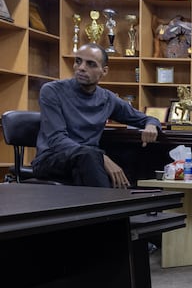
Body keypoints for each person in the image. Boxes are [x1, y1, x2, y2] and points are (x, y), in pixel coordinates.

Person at [32, 43, 160, 187]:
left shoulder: (107, 98)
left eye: (90, 64)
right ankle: (109, 208)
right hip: (51, 158)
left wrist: (151, 125)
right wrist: (101, 158)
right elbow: (57, 139)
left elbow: (147, 118)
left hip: (89, 161)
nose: (81, 68)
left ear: (104, 71)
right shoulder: (52, 91)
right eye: (78, 61)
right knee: (91, 157)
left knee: (131, 160)